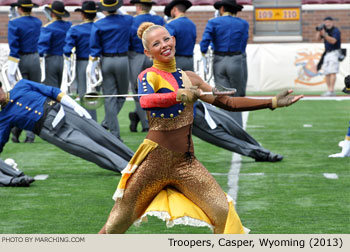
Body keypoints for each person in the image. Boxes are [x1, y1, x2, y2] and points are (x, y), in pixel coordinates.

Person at [98, 22, 303, 234]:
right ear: (148, 52)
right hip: (153, 163)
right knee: (115, 225)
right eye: (156, 43)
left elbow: (229, 103)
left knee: (222, 212)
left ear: (174, 40)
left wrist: (272, 102)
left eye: (166, 39)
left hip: (186, 163)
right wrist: (178, 95)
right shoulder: (148, 75)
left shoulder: (191, 78)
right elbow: (147, 101)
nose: (164, 45)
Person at [0, 79, 134, 173]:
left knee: (103, 136)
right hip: (53, 131)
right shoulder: (3, 117)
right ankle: (129, 169)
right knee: (91, 149)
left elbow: (52, 91)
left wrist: (74, 105)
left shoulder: (22, 85)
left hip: (66, 112)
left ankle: (139, 160)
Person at [200, 0, 249, 127]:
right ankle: (238, 126)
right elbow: (243, 45)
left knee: (222, 95)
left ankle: (225, 125)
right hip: (236, 59)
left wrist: (203, 52)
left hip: (219, 60)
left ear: (222, 9)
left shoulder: (213, 22)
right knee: (236, 96)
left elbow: (205, 42)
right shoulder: (243, 23)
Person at [88, 0, 133, 139]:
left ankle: (113, 132)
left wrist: (93, 70)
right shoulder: (128, 20)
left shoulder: (98, 24)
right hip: (123, 60)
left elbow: (94, 47)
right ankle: (108, 122)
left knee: (109, 97)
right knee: (122, 94)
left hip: (106, 60)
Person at [193, 101, 283, 162]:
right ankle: (262, 154)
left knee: (235, 128)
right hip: (187, 115)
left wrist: (271, 101)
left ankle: (259, 149)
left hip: (200, 105)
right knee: (223, 139)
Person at [7, 0, 42, 144]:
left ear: (20, 8)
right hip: (34, 58)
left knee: (19, 96)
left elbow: (14, 46)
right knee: (34, 96)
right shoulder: (38, 22)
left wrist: (11, 68)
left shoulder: (14, 23)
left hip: (19, 59)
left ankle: (16, 129)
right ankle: (30, 134)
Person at [128, 0, 165, 133]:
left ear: (138, 7)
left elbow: (128, 40)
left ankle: (145, 122)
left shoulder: (131, 21)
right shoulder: (159, 20)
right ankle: (147, 117)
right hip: (155, 56)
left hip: (137, 55)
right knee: (156, 88)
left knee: (139, 90)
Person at [63, 1, 98, 121]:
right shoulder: (100, 27)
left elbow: (67, 49)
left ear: (83, 14)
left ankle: (90, 123)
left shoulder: (76, 29)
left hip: (83, 63)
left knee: (85, 95)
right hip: (100, 62)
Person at [38, 1, 72, 88]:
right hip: (66, 59)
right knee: (65, 89)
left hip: (52, 59)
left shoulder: (48, 27)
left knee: (52, 89)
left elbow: (42, 46)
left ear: (52, 13)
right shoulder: (68, 25)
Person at [164, 0, 196, 71]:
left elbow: (168, 43)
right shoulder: (192, 24)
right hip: (190, 60)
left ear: (174, 9)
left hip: (176, 60)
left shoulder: (171, 24)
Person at [315, 16, 341, 97]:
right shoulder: (325, 30)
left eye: (329, 21)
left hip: (334, 52)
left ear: (332, 22)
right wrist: (319, 31)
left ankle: (331, 90)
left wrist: (325, 34)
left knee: (332, 71)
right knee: (326, 72)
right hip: (327, 53)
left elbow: (333, 41)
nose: (327, 23)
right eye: (326, 22)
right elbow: (317, 39)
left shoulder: (335, 30)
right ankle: (329, 90)